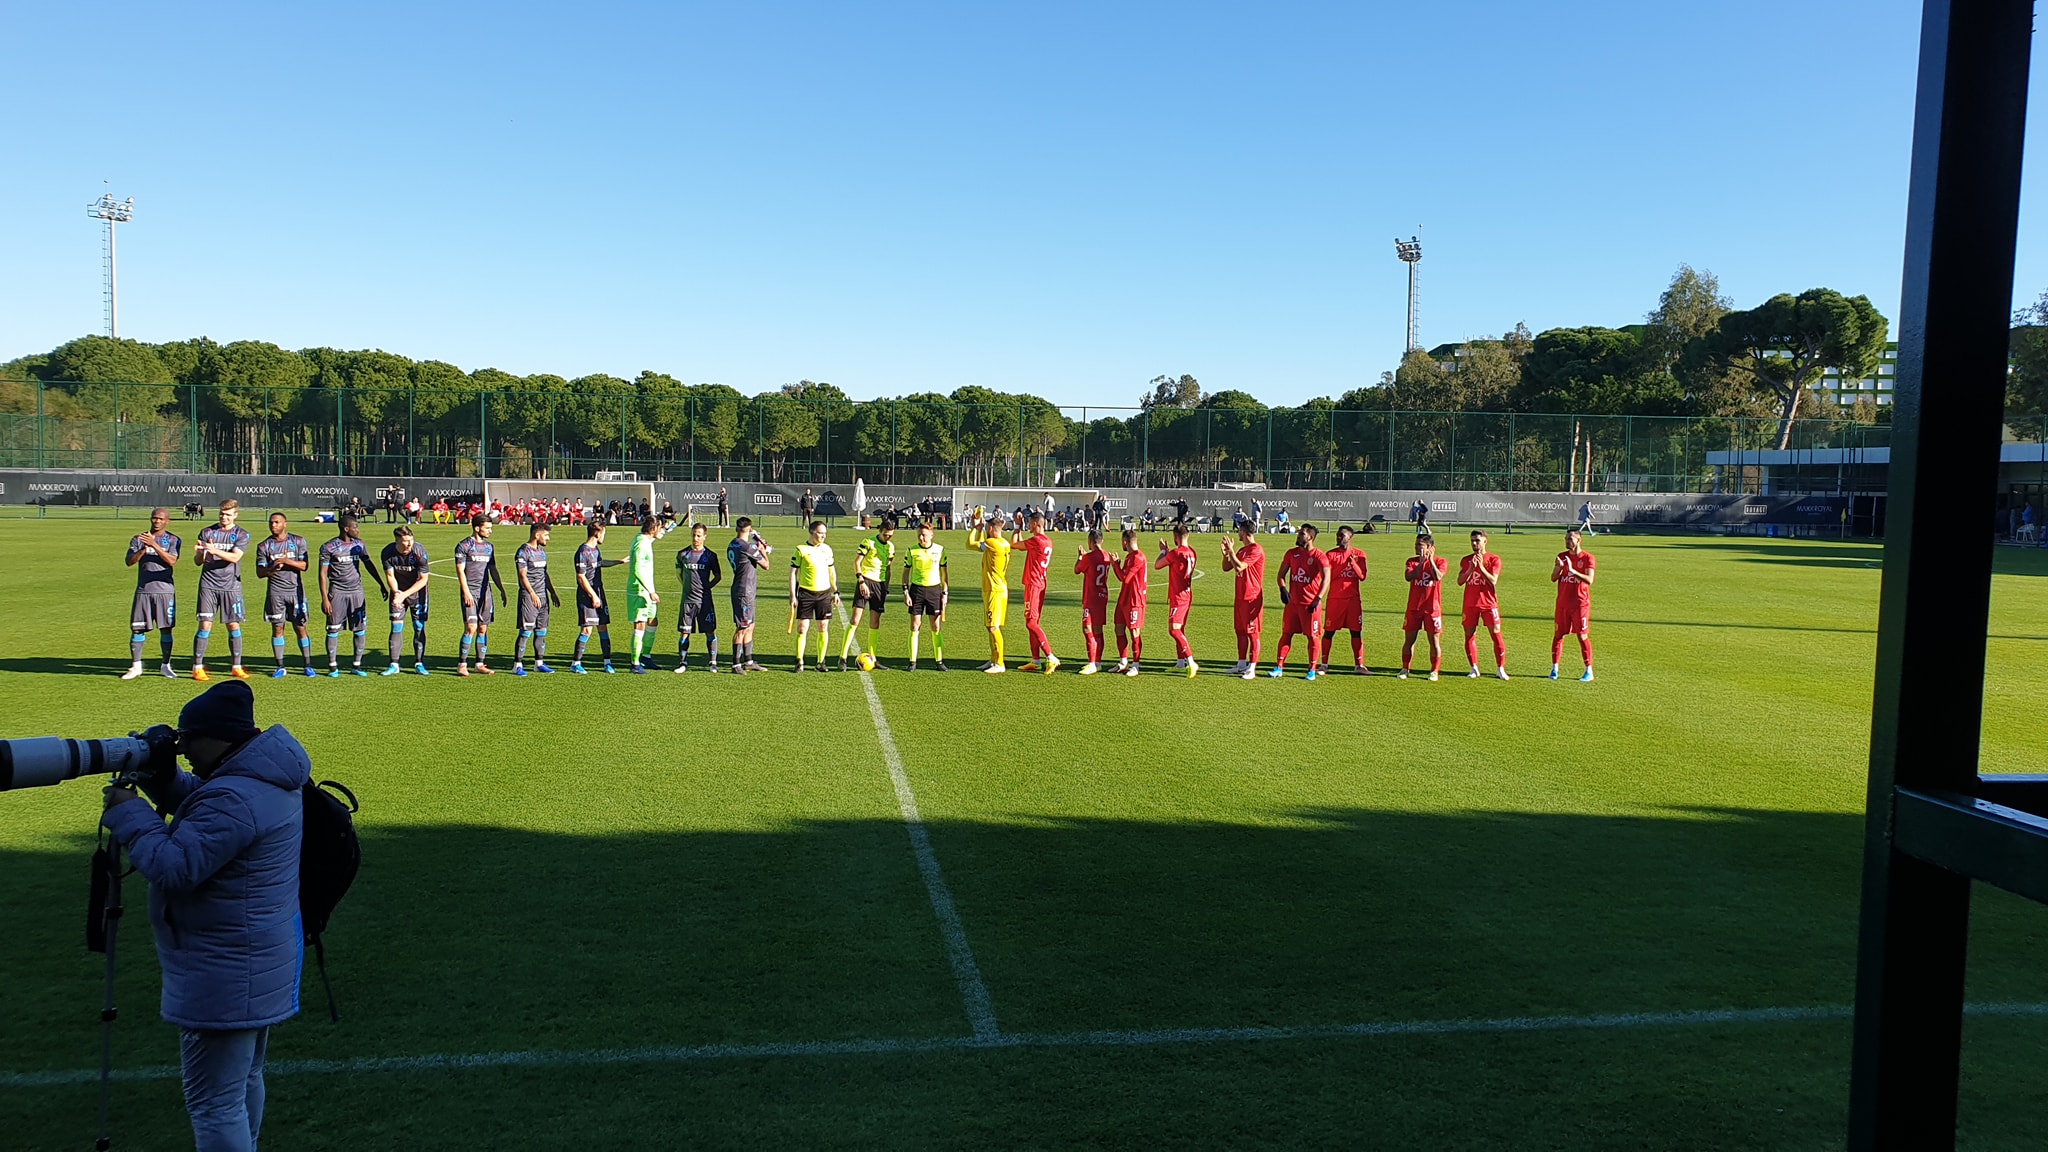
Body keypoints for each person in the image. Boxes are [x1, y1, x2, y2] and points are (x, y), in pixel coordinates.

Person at [99, 679, 309, 1152]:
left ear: (217, 738)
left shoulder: (235, 797)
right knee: (241, 1083)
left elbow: (175, 866)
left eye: (188, 738)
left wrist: (130, 814)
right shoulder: (263, 776)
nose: (184, 747)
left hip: (226, 971)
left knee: (214, 1103)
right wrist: (160, 777)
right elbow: (202, 802)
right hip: (256, 959)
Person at [318, 514, 387, 678]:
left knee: (360, 629)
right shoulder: (329, 547)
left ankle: (357, 664)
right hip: (338, 592)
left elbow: (369, 564)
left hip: (357, 592)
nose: (358, 530)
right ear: (346, 528)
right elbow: (322, 574)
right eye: (355, 527)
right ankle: (333, 667)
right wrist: (325, 598)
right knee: (333, 629)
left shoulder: (359, 545)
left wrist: (381, 584)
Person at [191, 499, 252, 682]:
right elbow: (197, 561)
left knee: (233, 625)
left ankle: (236, 666)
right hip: (208, 585)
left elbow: (234, 557)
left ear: (235, 515)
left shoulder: (242, 534)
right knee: (205, 624)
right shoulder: (207, 532)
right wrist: (201, 553)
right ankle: (197, 667)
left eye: (227, 514)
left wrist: (214, 550)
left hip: (231, 586)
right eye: (221, 514)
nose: (223, 517)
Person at [125, 508, 183, 681]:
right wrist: (143, 549)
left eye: (160, 518)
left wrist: (155, 545)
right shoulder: (138, 539)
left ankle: (166, 665)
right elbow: (129, 561)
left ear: (167, 521)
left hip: (165, 591)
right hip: (144, 590)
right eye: (154, 518)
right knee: (137, 627)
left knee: (166, 628)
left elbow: (172, 561)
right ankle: (136, 666)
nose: (157, 521)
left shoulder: (173, 540)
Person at [253, 513, 314, 679]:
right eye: (271, 522)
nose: (273, 525)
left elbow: (304, 566)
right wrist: (272, 569)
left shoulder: (298, 541)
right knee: (277, 628)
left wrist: (287, 561)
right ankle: (280, 666)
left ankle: (307, 664)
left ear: (285, 524)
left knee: (300, 627)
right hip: (275, 593)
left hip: (295, 591)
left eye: (277, 522)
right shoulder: (264, 546)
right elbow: (260, 572)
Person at [1270, 525, 1328, 680]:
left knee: (1313, 637)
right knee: (1286, 634)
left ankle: (1312, 669)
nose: (1298, 535)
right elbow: (1281, 574)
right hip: (1293, 604)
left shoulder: (1319, 556)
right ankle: (1279, 667)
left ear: (1310, 537)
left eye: (1302, 533)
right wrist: (1283, 589)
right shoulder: (1291, 553)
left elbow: (1326, 578)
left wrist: (1318, 598)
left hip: (1310, 606)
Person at [452, 516, 505, 676]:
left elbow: (493, 569)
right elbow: (460, 570)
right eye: (487, 528)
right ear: (476, 528)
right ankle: (462, 664)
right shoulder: (464, 546)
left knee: (483, 628)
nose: (490, 530)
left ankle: (479, 664)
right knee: (471, 628)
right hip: (470, 591)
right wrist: (466, 591)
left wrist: (501, 588)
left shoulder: (489, 547)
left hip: (485, 592)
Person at [841, 520, 895, 671]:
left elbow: (888, 568)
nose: (888, 538)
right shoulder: (868, 542)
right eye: (885, 535)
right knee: (855, 620)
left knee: (875, 623)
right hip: (865, 581)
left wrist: (886, 587)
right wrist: (861, 580)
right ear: (880, 531)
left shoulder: (890, 547)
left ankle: (873, 658)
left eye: (890, 535)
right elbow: (857, 562)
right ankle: (843, 657)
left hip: (880, 585)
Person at [1316, 525, 1370, 674]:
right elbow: (1328, 577)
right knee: (1329, 632)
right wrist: (1344, 564)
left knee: (1356, 632)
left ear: (1350, 537)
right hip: (1336, 599)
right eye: (1338, 535)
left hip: (1353, 600)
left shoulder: (1359, 554)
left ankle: (1359, 665)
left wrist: (1353, 563)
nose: (1339, 538)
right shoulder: (1330, 555)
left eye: (1342, 535)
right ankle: (1324, 664)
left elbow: (1362, 576)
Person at [570, 522, 623, 674]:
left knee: (602, 627)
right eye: (603, 533)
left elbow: (600, 563)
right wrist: (593, 595)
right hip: (587, 595)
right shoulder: (582, 552)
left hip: (599, 593)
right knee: (587, 629)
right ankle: (576, 663)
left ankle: (607, 663)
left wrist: (618, 562)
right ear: (597, 533)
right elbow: (580, 577)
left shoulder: (596, 550)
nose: (604, 536)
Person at [1010, 512, 1059, 674]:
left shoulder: (1036, 541)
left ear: (1036, 524)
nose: (1028, 526)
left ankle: (1051, 657)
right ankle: (1036, 661)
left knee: (1031, 623)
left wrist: (1017, 526)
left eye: (1030, 524)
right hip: (1041, 583)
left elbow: (1013, 544)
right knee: (1033, 623)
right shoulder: (1047, 541)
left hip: (1033, 585)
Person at [379, 525, 431, 676]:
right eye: (405, 541)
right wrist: (396, 593)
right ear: (397, 541)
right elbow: (390, 576)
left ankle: (419, 663)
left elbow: (423, 579)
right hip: (398, 592)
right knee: (396, 626)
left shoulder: (419, 552)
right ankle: (394, 664)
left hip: (418, 593)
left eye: (411, 540)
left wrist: (404, 594)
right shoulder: (388, 553)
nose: (409, 544)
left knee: (419, 626)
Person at [510, 524, 561, 676]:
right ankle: (517, 665)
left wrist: (552, 592)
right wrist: (532, 594)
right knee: (526, 631)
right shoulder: (523, 552)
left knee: (541, 631)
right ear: (536, 535)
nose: (548, 539)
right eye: (546, 535)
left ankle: (539, 663)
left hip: (543, 596)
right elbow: (522, 575)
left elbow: (545, 574)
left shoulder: (542, 553)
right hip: (529, 597)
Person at [673, 522, 723, 672]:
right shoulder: (682, 554)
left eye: (699, 535)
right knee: (685, 632)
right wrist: (687, 588)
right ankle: (683, 663)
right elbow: (679, 575)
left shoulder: (710, 556)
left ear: (705, 537)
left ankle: (712, 663)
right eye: (694, 535)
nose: (695, 538)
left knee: (710, 631)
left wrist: (707, 587)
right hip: (688, 600)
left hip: (705, 600)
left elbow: (718, 575)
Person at [1458, 529, 1508, 680]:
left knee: (1496, 634)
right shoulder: (1466, 560)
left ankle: (1500, 668)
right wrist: (1471, 569)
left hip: (1488, 603)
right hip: (1470, 603)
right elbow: (1460, 581)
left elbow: (1493, 580)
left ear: (1485, 541)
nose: (1474, 543)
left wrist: (1480, 567)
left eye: (1477, 540)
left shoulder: (1494, 559)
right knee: (1469, 635)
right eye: (1472, 540)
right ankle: (1474, 668)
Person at [966, 511, 1012, 673]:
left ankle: (999, 663)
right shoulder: (1004, 543)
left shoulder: (993, 543)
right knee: (990, 626)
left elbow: (970, 544)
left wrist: (975, 529)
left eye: (986, 527)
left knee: (993, 627)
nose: (985, 529)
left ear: (992, 528)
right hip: (995, 588)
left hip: (994, 589)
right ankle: (993, 659)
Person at [1399, 533, 1448, 680]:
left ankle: (1434, 671)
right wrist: (1421, 563)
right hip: (1414, 607)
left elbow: (1438, 576)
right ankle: (1405, 668)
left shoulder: (1440, 561)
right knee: (1409, 640)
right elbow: (1408, 577)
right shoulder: (1411, 562)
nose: (1416, 547)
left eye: (1420, 545)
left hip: (1432, 608)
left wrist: (1430, 561)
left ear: (1430, 548)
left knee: (1434, 641)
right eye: (1416, 544)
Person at [901, 520, 949, 672]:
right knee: (915, 625)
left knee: (935, 626)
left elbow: (944, 575)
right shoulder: (911, 550)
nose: (921, 538)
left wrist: (945, 594)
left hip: (934, 591)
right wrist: (906, 592)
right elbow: (905, 572)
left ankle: (939, 661)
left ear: (931, 535)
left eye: (924, 535)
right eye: (919, 535)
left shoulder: (940, 550)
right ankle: (912, 661)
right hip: (917, 591)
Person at [790, 521, 838, 672]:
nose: (823, 535)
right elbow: (793, 574)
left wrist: (836, 591)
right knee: (802, 628)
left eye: (825, 533)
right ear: (811, 532)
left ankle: (821, 662)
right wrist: (793, 596)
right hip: (806, 593)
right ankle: (799, 661)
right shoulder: (800, 550)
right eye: (820, 532)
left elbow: (831, 572)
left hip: (824, 594)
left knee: (823, 627)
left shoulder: (827, 550)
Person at [1551, 527, 1597, 682]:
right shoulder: (1561, 556)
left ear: (1579, 540)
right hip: (1562, 603)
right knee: (1558, 635)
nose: (1567, 541)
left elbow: (1589, 580)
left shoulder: (1588, 558)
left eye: (1570, 539)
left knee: (1582, 636)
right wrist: (1562, 568)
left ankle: (1588, 670)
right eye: (1566, 539)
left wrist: (1572, 570)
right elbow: (1553, 577)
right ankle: (1554, 669)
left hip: (1580, 604)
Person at [1222, 519, 1266, 680]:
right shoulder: (1241, 550)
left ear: (1245, 532)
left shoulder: (1256, 549)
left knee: (1252, 633)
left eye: (1239, 530)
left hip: (1252, 597)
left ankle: (1252, 668)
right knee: (1240, 631)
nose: (1237, 533)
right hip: (1240, 597)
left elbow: (1240, 567)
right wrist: (1227, 554)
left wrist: (1232, 552)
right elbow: (1227, 567)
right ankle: (1241, 664)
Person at [726, 517, 771, 673]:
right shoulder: (748, 547)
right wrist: (763, 552)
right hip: (744, 591)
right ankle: (736, 664)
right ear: (750, 529)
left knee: (750, 625)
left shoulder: (733, 544)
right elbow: (766, 565)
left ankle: (749, 660)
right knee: (742, 628)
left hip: (745, 589)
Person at [624, 515, 667, 673]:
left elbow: (654, 538)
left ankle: (646, 656)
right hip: (639, 591)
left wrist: (665, 531)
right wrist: (651, 591)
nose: (661, 530)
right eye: (660, 527)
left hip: (647, 591)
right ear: (653, 528)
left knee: (652, 621)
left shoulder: (646, 540)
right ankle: (635, 663)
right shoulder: (641, 545)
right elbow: (637, 570)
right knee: (640, 624)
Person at [1155, 522, 1198, 677]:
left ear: (1175, 537)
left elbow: (1158, 565)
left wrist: (1163, 552)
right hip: (1187, 593)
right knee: (1180, 629)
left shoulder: (1176, 553)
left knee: (1174, 630)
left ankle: (1191, 662)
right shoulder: (1192, 552)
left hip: (1178, 596)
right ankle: (1180, 663)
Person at [1072, 528, 1114, 675]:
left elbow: (1077, 570)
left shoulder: (1089, 557)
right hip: (1102, 595)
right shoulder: (1107, 556)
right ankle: (1098, 662)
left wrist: (1080, 557)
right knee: (1098, 630)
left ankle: (1091, 663)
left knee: (1087, 629)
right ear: (1101, 541)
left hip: (1091, 597)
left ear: (1090, 542)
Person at [1112, 528, 1148, 676]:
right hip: (1124, 598)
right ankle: (1123, 662)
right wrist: (1117, 566)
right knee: (1119, 629)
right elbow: (1123, 578)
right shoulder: (1129, 557)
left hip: (1135, 600)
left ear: (1125, 542)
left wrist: (1115, 565)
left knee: (1134, 632)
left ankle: (1136, 664)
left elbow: (1125, 579)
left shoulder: (1138, 558)